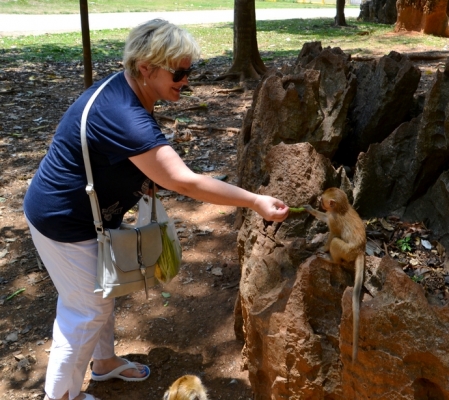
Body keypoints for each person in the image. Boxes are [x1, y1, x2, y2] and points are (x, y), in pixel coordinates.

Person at [23, 19, 289, 400]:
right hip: (65, 222)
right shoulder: (124, 115)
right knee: (84, 312)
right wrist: (254, 200)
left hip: (87, 215)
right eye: (179, 72)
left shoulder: (126, 91)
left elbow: (127, 159)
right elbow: (183, 181)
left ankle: (103, 364)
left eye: (189, 70)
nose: (186, 80)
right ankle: (62, 395)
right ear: (145, 69)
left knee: (101, 293)